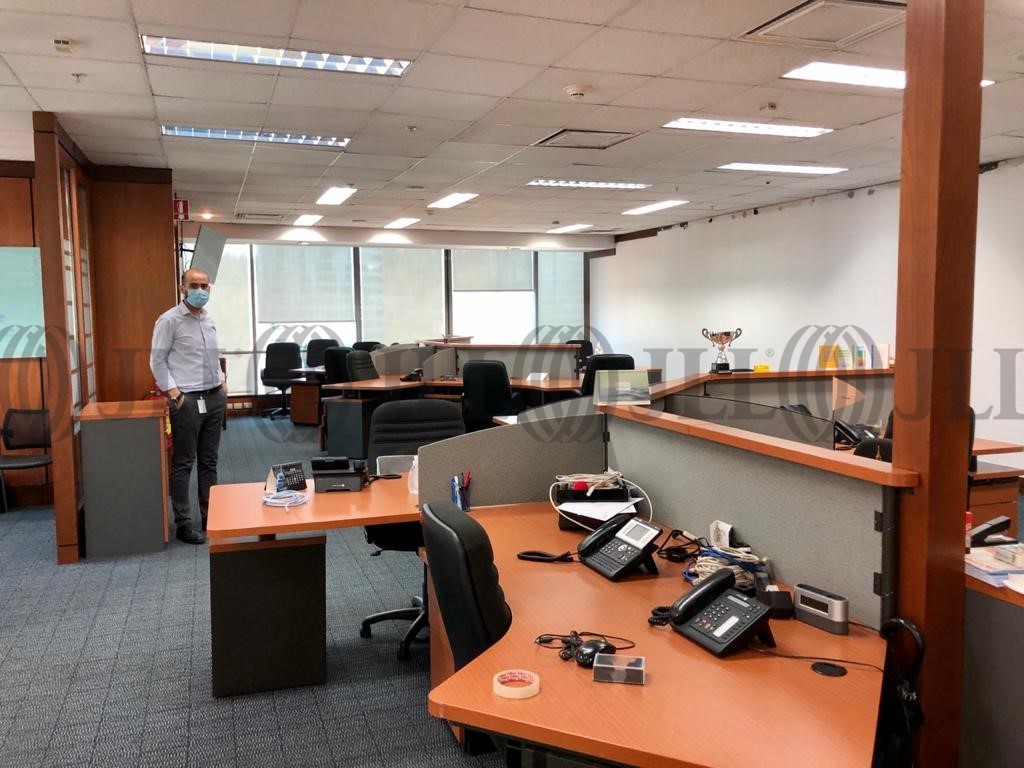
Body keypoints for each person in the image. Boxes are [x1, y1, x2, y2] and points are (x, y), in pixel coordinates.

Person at [150, 268, 226, 544]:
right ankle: (184, 523)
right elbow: (157, 361)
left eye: (204, 286)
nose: (200, 290)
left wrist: (222, 381)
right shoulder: (169, 320)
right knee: (184, 462)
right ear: (182, 288)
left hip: (214, 396)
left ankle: (210, 515)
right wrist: (175, 393)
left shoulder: (209, 319)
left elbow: (213, 355)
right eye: (194, 285)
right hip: (187, 400)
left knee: (209, 460)